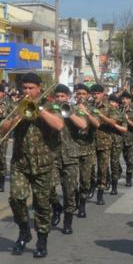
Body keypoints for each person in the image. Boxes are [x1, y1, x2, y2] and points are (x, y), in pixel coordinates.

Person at [0, 73, 64, 258]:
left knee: (42, 205)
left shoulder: (51, 104)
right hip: (20, 163)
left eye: (31, 88)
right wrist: (14, 118)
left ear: (39, 88)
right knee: (16, 199)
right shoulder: (15, 104)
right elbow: (2, 130)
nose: (27, 91)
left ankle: (42, 240)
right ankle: (24, 230)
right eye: (24, 88)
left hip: (43, 164)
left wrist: (38, 109)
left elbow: (59, 125)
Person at [50, 85, 88, 235]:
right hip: (52, 155)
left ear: (68, 97)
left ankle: (67, 221)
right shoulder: (50, 109)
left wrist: (68, 113)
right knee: (49, 188)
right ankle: (56, 207)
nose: (60, 99)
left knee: (70, 192)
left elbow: (83, 125)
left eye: (63, 97)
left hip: (71, 156)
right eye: (57, 97)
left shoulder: (74, 109)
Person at [90, 85, 123, 205]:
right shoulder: (88, 106)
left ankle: (100, 192)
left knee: (102, 169)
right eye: (93, 93)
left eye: (98, 93)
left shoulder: (110, 107)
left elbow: (113, 122)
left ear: (103, 94)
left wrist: (100, 115)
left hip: (104, 142)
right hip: (90, 142)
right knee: (90, 168)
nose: (95, 96)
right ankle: (91, 186)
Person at [72, 84, 97, 217]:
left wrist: (86, 112)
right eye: (78, 94)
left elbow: (97, 124)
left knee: (85, 180)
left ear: (87, 95)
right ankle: (75, 199)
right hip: (73, 149)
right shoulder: (70, 109)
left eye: (83, 94)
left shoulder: (93, 109)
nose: (81, 96)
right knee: (71, 179)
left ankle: (82, 205)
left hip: (87, 150)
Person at [118, 92, 133, 187]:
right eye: (123, 99)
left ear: (130, 100)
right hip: (118, 138)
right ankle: (118, 170)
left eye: (126, 99)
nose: (124, 100)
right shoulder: (118, 109)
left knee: (129, 160)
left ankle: (128, 179)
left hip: (129, 139)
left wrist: (127, 120)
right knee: (114, 159)